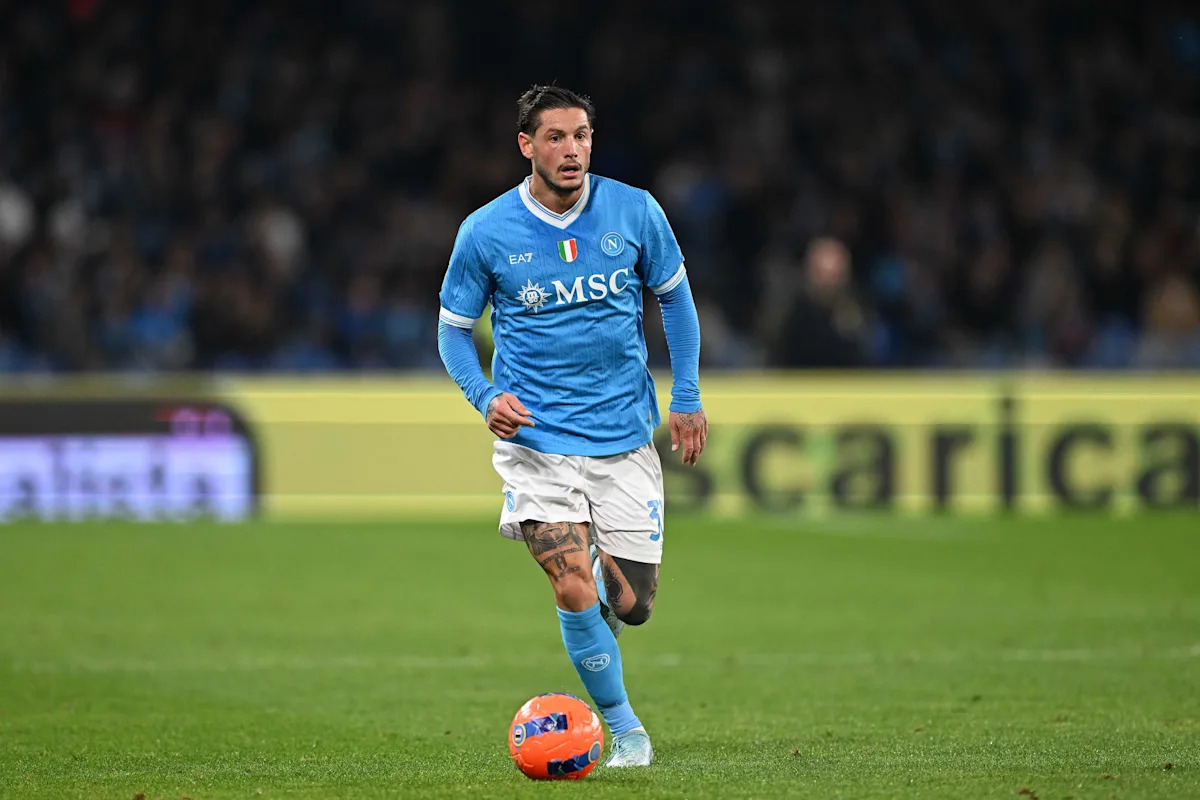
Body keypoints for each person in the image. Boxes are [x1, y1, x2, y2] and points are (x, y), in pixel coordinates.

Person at [437, 85, 706, 768]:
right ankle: (627, 731)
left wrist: (687, 395)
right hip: (537, 444)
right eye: (555, 137)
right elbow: (453, 332)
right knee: (570, 581)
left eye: (581, 135)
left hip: (623, 437)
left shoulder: (635, 210)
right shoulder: (486, 231)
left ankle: (598, 610)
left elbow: (676, 300)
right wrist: (483, 395)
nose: (571, 149)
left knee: (634, 605)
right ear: (526, 144)